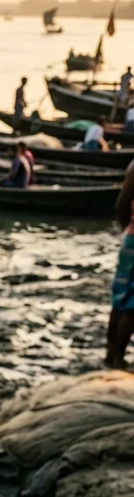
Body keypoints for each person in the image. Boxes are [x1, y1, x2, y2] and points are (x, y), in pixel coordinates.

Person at [106, 158, 134, 368]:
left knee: (120, 299)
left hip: (130, 238)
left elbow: (121, 205)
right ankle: (118, 358)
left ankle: (111, 354)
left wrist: (129, 228)